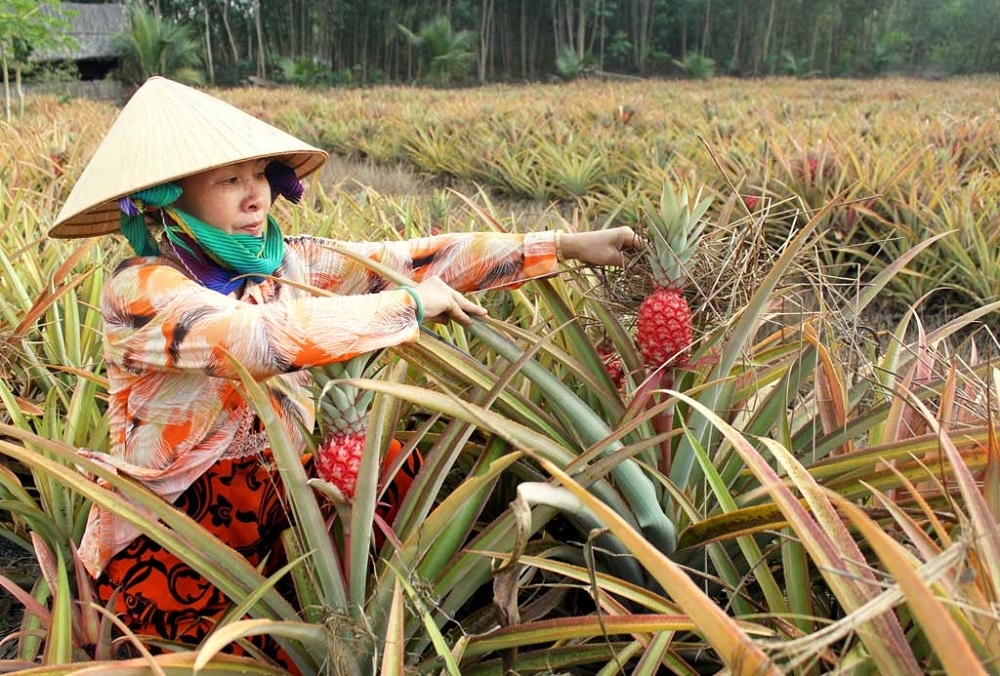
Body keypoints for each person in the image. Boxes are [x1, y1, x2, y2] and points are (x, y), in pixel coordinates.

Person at [50, 76, 641, 669]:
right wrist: (408, 306)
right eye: (230, 180)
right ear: (165, 196)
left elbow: (412, 259)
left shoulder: (288, 263)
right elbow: (257, 340)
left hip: (278, 490)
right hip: (179, 522)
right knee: (238, 656)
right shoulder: (140, 289)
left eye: (259, 175)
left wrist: (564, 245)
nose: (256, 196)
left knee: (397, 476)